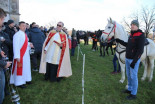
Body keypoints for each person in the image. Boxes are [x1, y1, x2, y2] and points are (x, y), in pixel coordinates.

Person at [116, 20, 145, 100]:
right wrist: (120, 41)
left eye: (134, 25)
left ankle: (133, 94)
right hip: (127, 58)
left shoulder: (141, 35)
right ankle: (130, 89)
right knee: (128, 75)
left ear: (137, 26)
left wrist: (134, 61)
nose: (132, 26)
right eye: (131, 24)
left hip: (133, 60)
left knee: (133, 76)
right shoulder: (131, 35)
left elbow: (140, 50)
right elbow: (128, 45)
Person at [10, 21, 34, 88]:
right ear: (19, 26)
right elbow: (16, 46)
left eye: (25, 26)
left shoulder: (25, 34)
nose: (24, 27)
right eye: (23, 25)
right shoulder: (17, 34)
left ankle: (26, 79)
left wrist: (29, 44)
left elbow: (24, 43)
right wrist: (17, 56)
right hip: (20, 55)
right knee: (19, 68)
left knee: (26, 68)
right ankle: (19, 82)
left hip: (26, 55)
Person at [0, 8, 12, 104]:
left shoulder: (5, 34)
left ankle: (5, 91)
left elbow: (10, 43)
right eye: (3, 19)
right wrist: (3, 64)